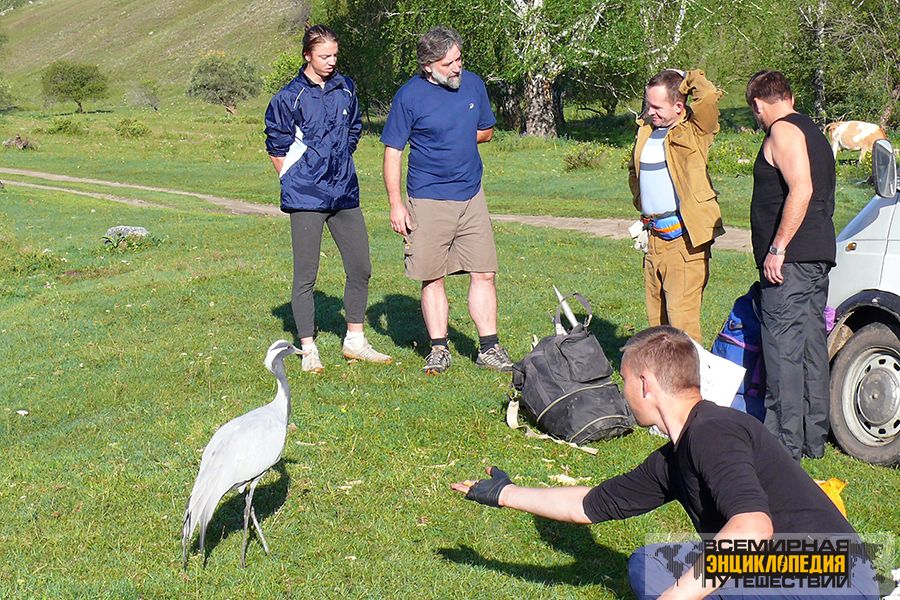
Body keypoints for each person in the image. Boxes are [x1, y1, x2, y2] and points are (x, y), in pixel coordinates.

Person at [452, 326, 878, 599]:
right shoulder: (679, 453)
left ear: (645, 383)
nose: (623, 392)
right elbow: (590, 505)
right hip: (791, 567)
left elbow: (752, 528)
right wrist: (506, 494)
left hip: (835, 573)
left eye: (624, 380)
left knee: (676, 581)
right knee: (646, 564)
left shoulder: (714, 432)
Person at [381, 26, 513, 375]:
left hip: (471, 195)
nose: (458, 68)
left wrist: (459, 139)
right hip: (427, 199)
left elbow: (485, 130)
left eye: (459, 59)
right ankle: (439, 349)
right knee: (432, 276)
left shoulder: (473, 85)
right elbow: (393, 151)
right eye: (449, 63)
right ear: (428, 65)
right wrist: (396, 204)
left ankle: (489, 348)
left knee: (484, 272)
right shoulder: (409, 97)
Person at [264, 24, 392, 373]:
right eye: (324, 56)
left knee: (361, 267)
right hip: (306, 196)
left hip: (344, 192)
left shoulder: (347, 87)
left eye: (335, 55)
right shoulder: (288, 96)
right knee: (306, 275)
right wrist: (295, 175)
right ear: (307, 55)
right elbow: (276, 144)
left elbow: (354, 129)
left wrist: (339, 160)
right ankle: (308, 349)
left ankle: (355, 340)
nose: (331, 61)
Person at [746, 71, 836, 461]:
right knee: (811, 347)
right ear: (791, 94)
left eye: (756, 111)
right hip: (816, 256)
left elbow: (801, 188)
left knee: (783, 350)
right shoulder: (812, 131)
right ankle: (813, 438)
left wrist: (777, 247)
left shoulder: (782, 132)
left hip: (792, 262)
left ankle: (783, 448)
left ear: (758, 104)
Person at [628, 70, 725, 343]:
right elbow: (633, 171)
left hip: (684, 243)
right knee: (657, 328)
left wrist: (687, 76)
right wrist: (642, 202)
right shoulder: (646, 131)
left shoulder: (695, 130)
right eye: (648, 104)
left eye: (657, 107)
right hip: (654, 241)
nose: (651, 111)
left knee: (683, 330)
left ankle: (692, 384)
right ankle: (663, 384)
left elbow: (706, 97)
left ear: (679, 107)